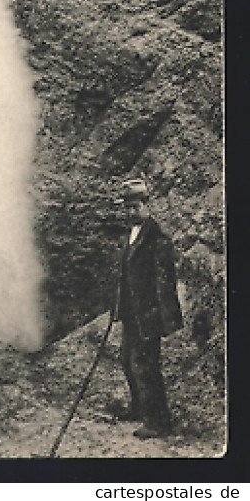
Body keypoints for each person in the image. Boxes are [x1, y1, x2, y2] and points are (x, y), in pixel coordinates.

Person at [110, 178, 183, 439]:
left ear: (146, 205)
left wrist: (163, 319)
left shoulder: (157, 238)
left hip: (148, 314)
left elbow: (165, 283)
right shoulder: (129, 234)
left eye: (135, 207)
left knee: (146, 365)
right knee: (127, 361)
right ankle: (139, 408)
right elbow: (125, 273)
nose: (130, 212)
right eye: (127, 208)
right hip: (131, 312)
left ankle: (159, 422)